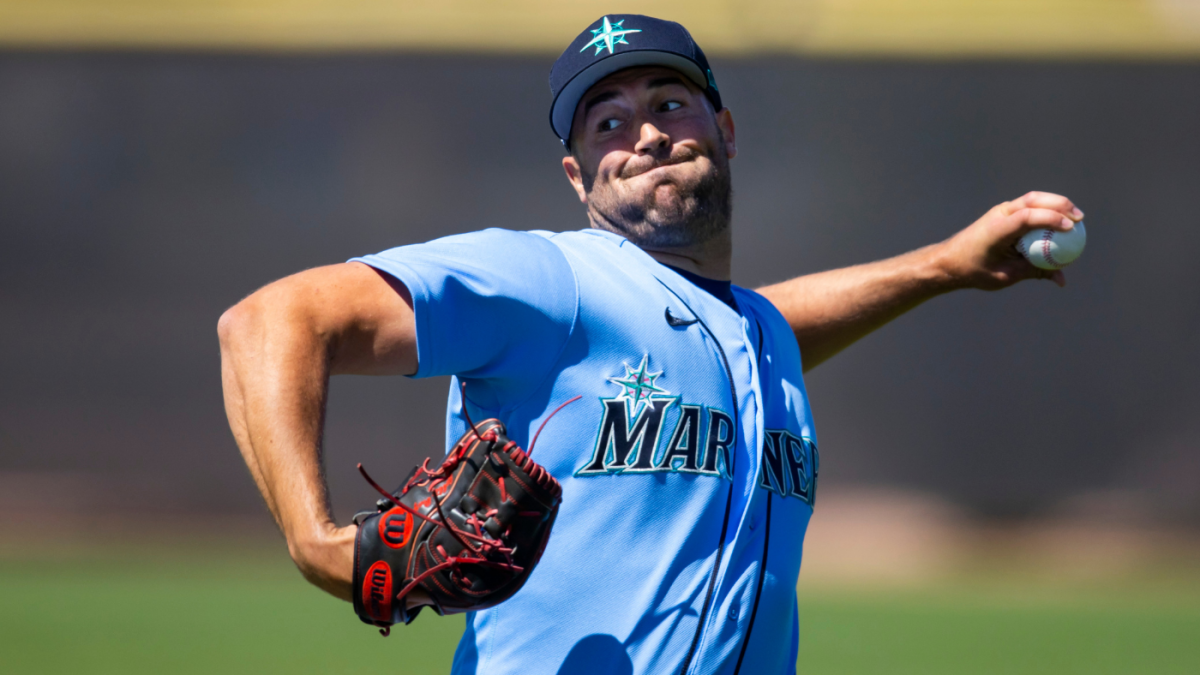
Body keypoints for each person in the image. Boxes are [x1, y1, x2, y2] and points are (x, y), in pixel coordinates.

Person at [218, 14, 1082, 675]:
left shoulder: (756, 338)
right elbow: (268, 320)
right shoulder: (549, 279)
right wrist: (314, 540)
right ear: (577, 175)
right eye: (608, 123)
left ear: (726, 130)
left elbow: (757, 327)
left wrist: (943, 265)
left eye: (670, 103)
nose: (645, 135)